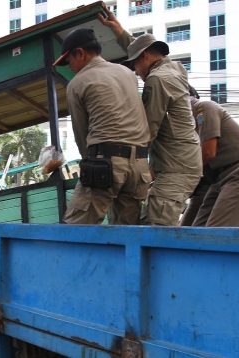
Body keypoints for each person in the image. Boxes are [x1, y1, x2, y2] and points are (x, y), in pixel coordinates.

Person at [99, 5, 202, 226]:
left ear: (145, 57)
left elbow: (147, 130)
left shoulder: (157, 80)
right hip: (182, 164)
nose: (136, 72)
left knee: (157, 226)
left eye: (135, 65)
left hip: (176, 168)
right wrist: (119, 31)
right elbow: (143, 49)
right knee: (148, 224)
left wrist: (121, 162)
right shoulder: (175, 68)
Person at [53, 27, 152, 225]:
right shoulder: (127, 72)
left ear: (80, 53)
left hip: (105, 165)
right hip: (140, 167)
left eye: (69, 61)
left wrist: (89, 164)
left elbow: (82, 135)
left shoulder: (78, 83)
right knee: (125, 236)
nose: (70, 67)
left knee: (76, 230)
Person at [185, 85, 239, 227]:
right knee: (196, 233)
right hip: (218, 178)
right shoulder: (185, 125)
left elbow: (208, 152)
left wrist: (180, 174)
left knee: (216, 234)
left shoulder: (203, 108)